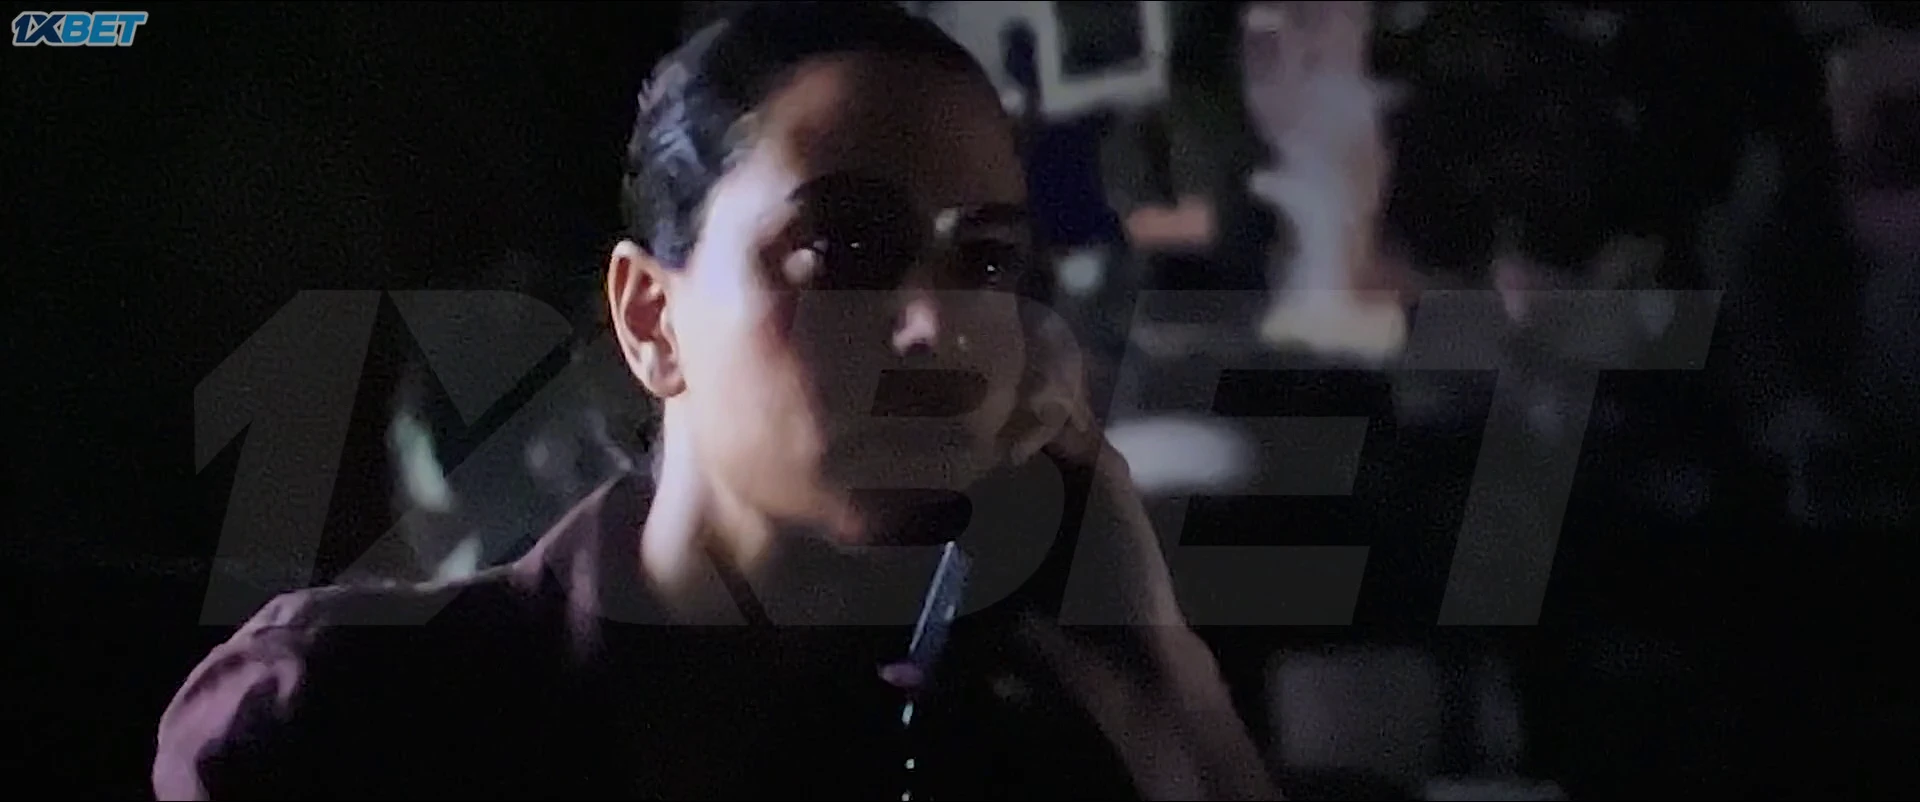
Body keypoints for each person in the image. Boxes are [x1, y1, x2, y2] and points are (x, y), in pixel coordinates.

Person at [152, 4, 1277, 800]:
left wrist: (1171, 691)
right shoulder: (354, 716)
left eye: (984, 259)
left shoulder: (1021, 741)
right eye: (844, 246)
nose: (935, 324)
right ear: (651, 317)